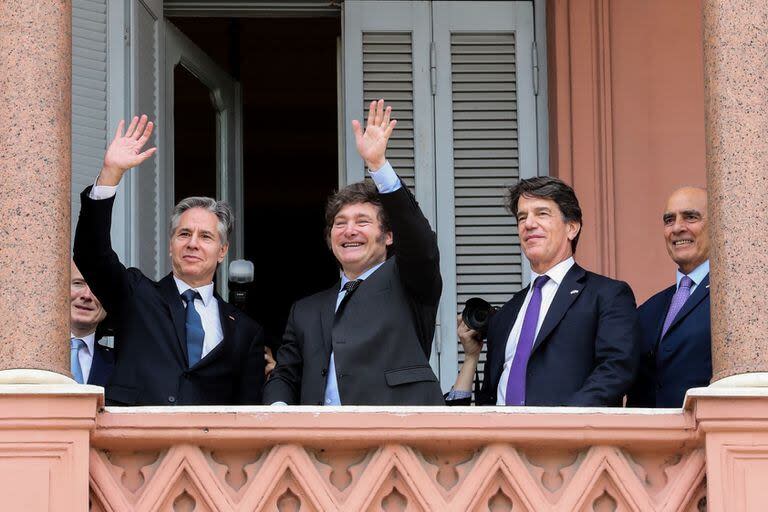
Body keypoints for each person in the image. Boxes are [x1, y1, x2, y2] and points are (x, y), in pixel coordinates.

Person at [73, 115, 265, 405]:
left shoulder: (245, 331)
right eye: (184, 233)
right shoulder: (137, 295)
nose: (192, 243)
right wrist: (110, 174)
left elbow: (249, 408)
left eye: (205, 237)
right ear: (171, 245)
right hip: (135, 444)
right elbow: (91, 254)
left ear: (222, 251)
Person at [263, 100, 444, 405]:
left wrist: (379, 167)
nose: (349, 231)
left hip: (397, 437)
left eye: (362, 222)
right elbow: (285, 375)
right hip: (319, 444)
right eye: (340, 224)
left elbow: (420, 242)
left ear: (388, 235)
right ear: (329, 237)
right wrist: (279, 410)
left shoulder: (410, 281)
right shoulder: (305, 310)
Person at [447, 176, 640, 406]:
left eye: (542, 213)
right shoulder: (506, 313)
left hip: (567, 439)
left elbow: (616, 370)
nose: (528, 224)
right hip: (502, 439)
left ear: (572, 227)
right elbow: (488, 397)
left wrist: (560, 425)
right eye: (522, 217)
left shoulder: (607, 295)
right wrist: (471, 358)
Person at [627, 187, 711, 407]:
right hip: (649, 438)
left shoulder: (736, 299)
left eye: (690, 217)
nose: (677, 228)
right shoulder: (648, 311)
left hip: (710, 435)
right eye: (669, 220)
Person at [70, 260, 114, 386]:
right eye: (78, 283)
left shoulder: (123, 366)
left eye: (98, 287)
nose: (87, 296)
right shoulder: (28, 356)